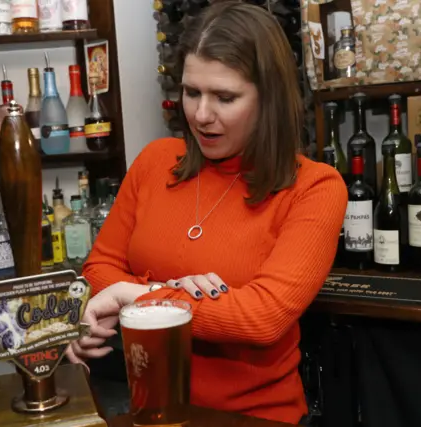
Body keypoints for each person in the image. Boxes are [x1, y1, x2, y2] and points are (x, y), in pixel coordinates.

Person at [65, 1, 347, 425]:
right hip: (151, 410)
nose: (200, 115)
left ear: (268, 98)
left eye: (225, 97)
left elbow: (262, 317)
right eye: (192, 92)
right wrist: (173, 292)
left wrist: (136, 295)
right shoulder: (155, 161)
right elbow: (99, 268)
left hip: (256, 419)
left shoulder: (314, 187)